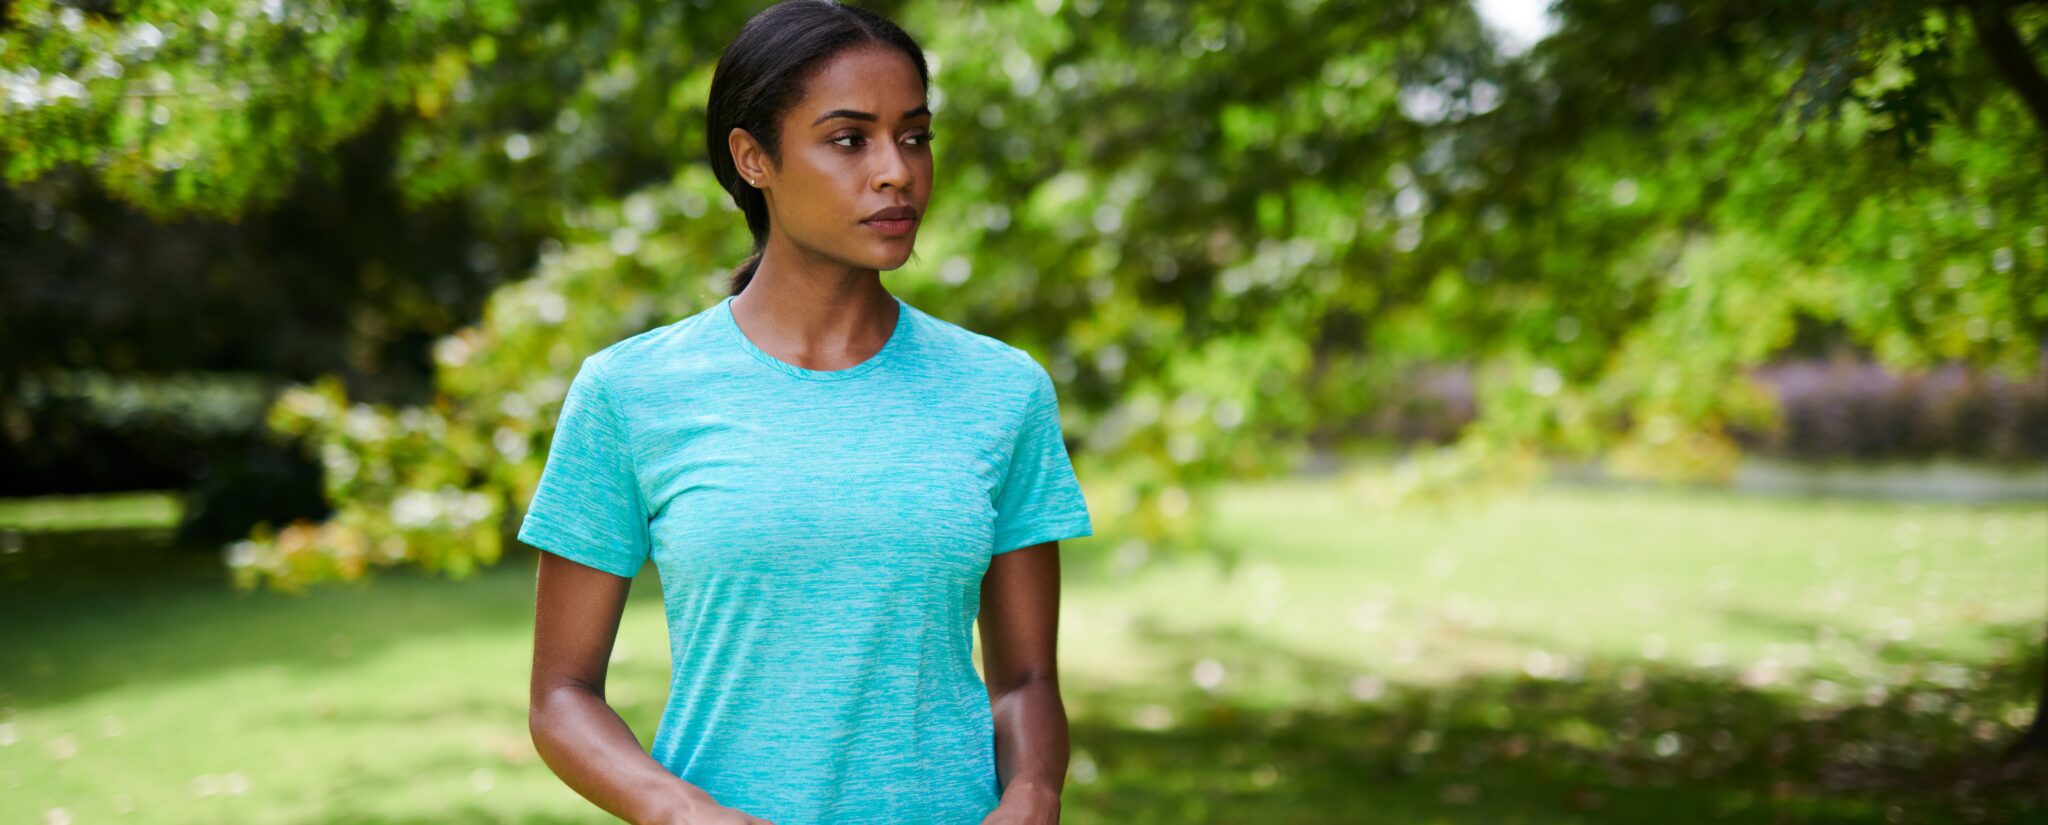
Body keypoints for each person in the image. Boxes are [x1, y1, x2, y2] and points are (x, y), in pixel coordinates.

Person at [522, 2, 1090, 823]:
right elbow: (561, 696)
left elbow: (1027, 679)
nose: (896, 171)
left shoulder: (1002, 390)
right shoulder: (630, 391)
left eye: (915, 136)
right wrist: (680, 810)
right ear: (753, 158)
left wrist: (1034, 791)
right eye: (850, 139)